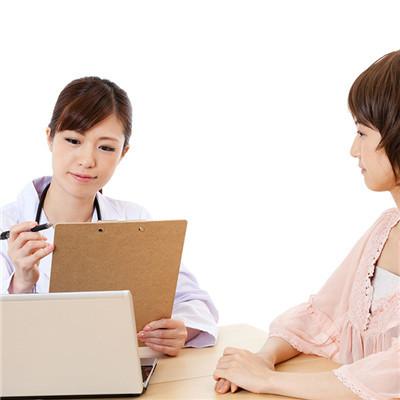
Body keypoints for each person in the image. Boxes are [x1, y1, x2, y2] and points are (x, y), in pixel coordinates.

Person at [214, 50, 400, 399]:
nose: (353, 150)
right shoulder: (385, 229)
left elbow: (393, 375)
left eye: (362, 133)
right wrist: (263, 359)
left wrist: (268, 381)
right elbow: (322, 317)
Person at [0, 76, 218, 356]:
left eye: (106, 147)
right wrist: (21, 284)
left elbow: (193, 300)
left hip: (118, 369)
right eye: (73, 140)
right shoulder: (7, 223)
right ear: (50, 138)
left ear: (123, 153)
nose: (87, 160)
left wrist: (180, 329)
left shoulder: (133, 220)